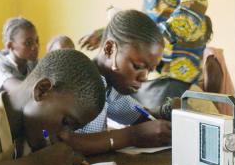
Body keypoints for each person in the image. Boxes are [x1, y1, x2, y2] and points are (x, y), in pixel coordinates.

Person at [59, 10, 172, 156]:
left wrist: (166, 113)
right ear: (109, 49)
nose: (143, 77)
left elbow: (140, 117)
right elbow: (59, 141)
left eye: (149, 70)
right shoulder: (77, 80)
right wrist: (131, 136)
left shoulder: (108, 87)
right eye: (138, 66)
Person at [0, 17, 39, 102]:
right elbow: (19, 90)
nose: (35, 47)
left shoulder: (33, 64)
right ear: (10, 46)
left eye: (36, 41)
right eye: (28, 43)